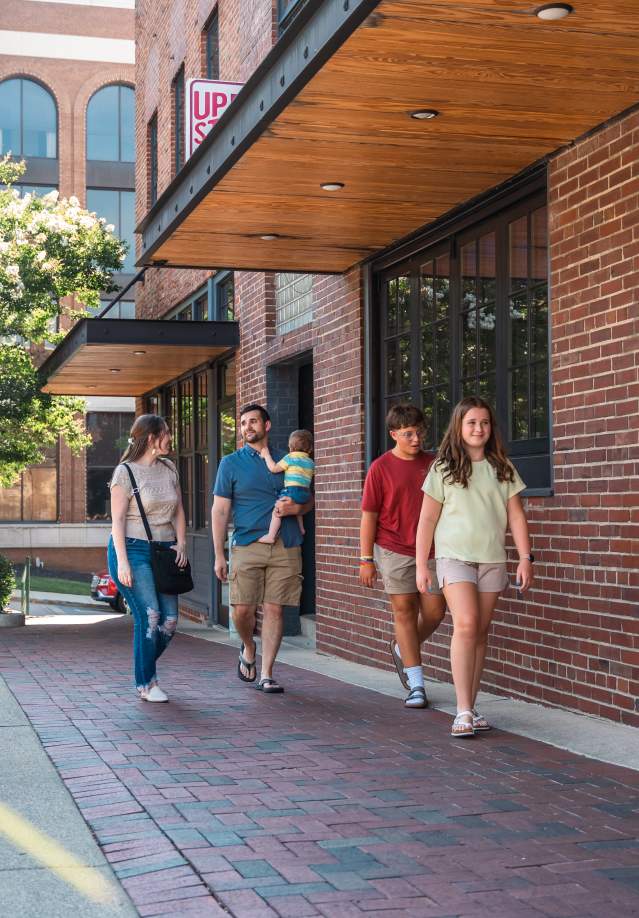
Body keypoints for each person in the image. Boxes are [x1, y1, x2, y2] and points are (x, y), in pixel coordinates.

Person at [415, 396, 534, 738]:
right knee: (466, 625)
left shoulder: (503, 468)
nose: (478, 428)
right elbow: (426, 519)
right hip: (454, 557)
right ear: (459, 427)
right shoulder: (442, 468)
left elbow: (516, 516)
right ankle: (462, 710)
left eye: (484, 423)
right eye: (471, 423)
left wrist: (526, 557)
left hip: (492, 558)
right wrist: (423, 564)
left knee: (480, 631)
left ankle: (472, 704)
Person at [212, 404, 313, 694]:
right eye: (243, 423)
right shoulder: (230, 463)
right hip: (246, 543)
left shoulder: (290, 459)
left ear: (266, 426)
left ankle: (266, 673)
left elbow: (308, 499)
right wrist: (219, 554)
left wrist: (299, 506)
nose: (247, 427)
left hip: (286, 544)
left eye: (253, 421)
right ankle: (247, 646)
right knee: (241, 610)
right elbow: (219, 511)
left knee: (274, 609)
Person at [360, 404, 446, 709]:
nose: (415, 438)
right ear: (394, 434)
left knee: (435, 612)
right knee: (404, 612)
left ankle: (401, 646)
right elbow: (369, 516)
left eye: (419, 432)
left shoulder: (435, 464)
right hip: (393, 548)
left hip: (433, 549)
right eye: (408, 433)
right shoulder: (380, 468)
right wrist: (365, 558)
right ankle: (417, 684)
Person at [108, 414, 188, 703]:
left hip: (166, 550)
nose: (171, 437)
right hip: (132, 548)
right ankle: (146, 683)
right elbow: (116, 521)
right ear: (152, 437)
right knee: (150, 616)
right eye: (167, 432)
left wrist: (182, 543)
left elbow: (179, 509)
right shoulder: (125, 472)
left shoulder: (169, 468)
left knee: (170, 621)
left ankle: (143, 667)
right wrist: (123, 561)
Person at [259, 429, 314, 542]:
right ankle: (301, 528)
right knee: (298, 506)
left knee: (277, 510)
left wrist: (267, 455)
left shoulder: (290, 458)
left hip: (292, 491)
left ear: (290, 447)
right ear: (310, 449)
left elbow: (273, 468)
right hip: (306, 493)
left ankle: (270, 536)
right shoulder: (310, 462)